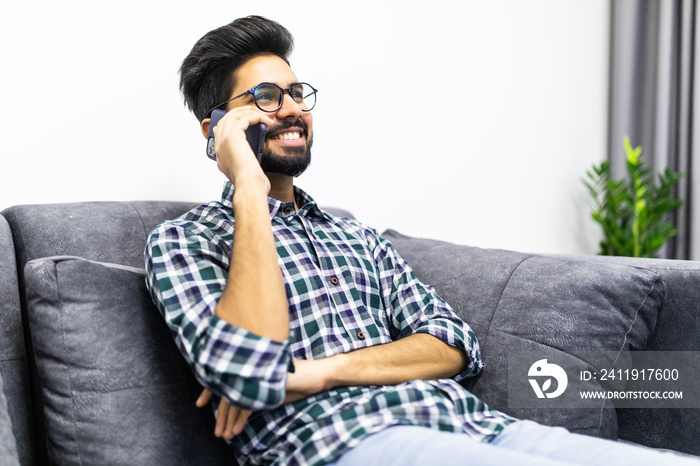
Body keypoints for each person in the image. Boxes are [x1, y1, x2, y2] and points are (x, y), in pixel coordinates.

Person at [145, 15, 700, 466]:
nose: (292, 109)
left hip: (479, 427)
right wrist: (248, 185)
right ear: (214, 129)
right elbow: (249, 373)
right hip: (343, 442)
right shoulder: (184, 243)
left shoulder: (355, 237)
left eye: (296, 92)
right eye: (265, 96)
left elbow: (455, 343)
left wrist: (320, 369)